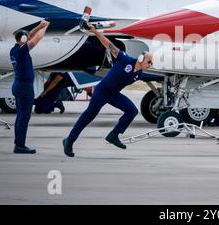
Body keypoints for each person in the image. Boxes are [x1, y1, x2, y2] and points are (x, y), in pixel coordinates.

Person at [62, 23, 154, 157]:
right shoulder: (125, 60)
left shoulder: (138, 74)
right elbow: (109, 45)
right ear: (141, 59)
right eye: (149, 62)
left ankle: (114, 135)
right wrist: (95, 32)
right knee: (88, 116)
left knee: (132, 110)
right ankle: (69, 141)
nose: (151, 65)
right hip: (102, 91)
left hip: (113, 94)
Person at [10, 20, 50, 154]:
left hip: (18, 85)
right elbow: (37, 38)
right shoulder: (21, 52)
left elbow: (31, 35)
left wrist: (39, 25)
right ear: (23, 39)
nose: (28, 38)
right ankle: (20, 145)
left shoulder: (14, 50)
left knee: (20, 116)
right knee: (24, 117)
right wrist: (45, 27)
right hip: (25, 87)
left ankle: (18, 143)